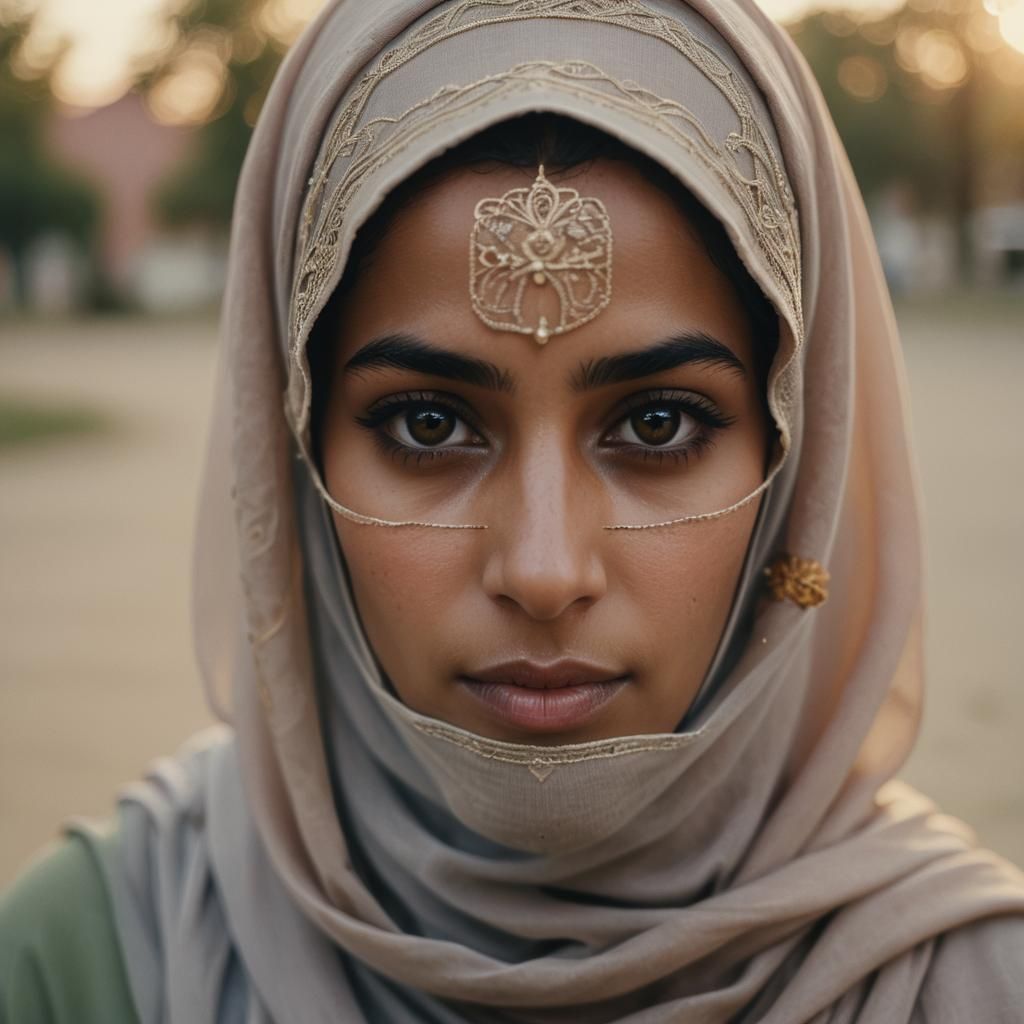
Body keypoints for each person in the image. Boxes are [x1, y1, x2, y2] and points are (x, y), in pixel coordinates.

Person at [2, 0, 1023, 1020]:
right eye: (430, 425)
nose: (541, 571)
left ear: (796, 468)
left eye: (660, 425)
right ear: (296, 450)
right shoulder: (93, 958)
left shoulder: (973, 986)